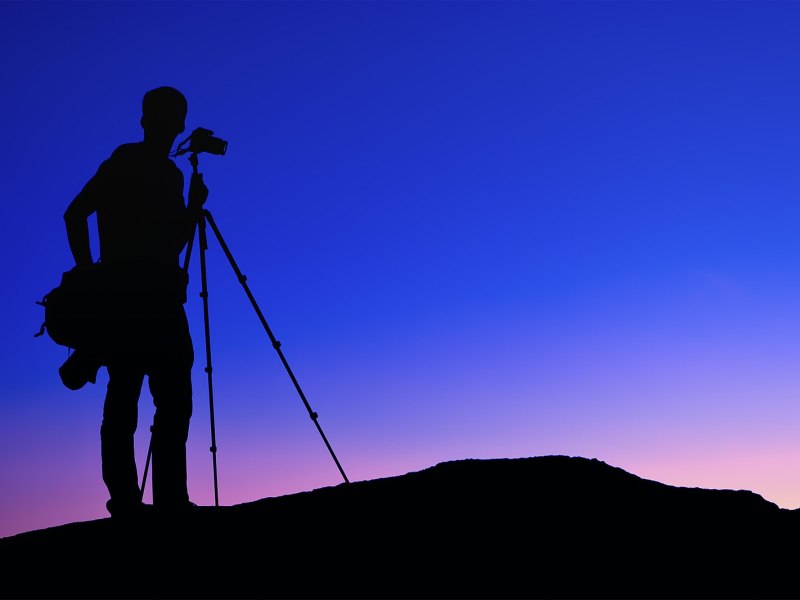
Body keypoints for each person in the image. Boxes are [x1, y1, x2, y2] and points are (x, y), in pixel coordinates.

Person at [62, 86, 208, 518]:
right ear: (150, 120)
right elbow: (75, 214)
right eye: (169, 117)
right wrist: (90, 275)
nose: (173, 126)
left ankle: (155, 501)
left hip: (152, 301)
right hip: (138, 302)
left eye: (175, 118)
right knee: (139, 401)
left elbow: (171, 242)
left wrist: (191, 210)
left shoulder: (169, 174)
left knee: (155, 401)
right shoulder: (127, 161)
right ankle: (140, 502)